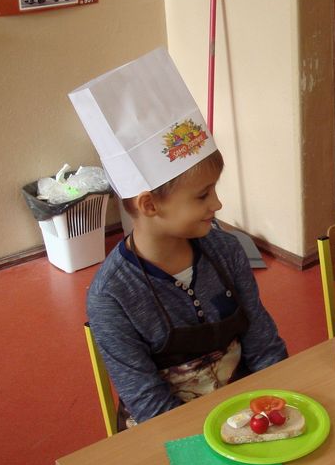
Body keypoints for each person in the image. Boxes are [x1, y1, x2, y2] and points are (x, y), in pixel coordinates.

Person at [69, 48, 287, 428]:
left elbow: (264, 345)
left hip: (249, 414)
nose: (217, 204)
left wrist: (276, 407)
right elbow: (150, 406)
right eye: (202, 196)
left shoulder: (226, 251)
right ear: (150, 205)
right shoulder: (112, 297)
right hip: (173, 432)